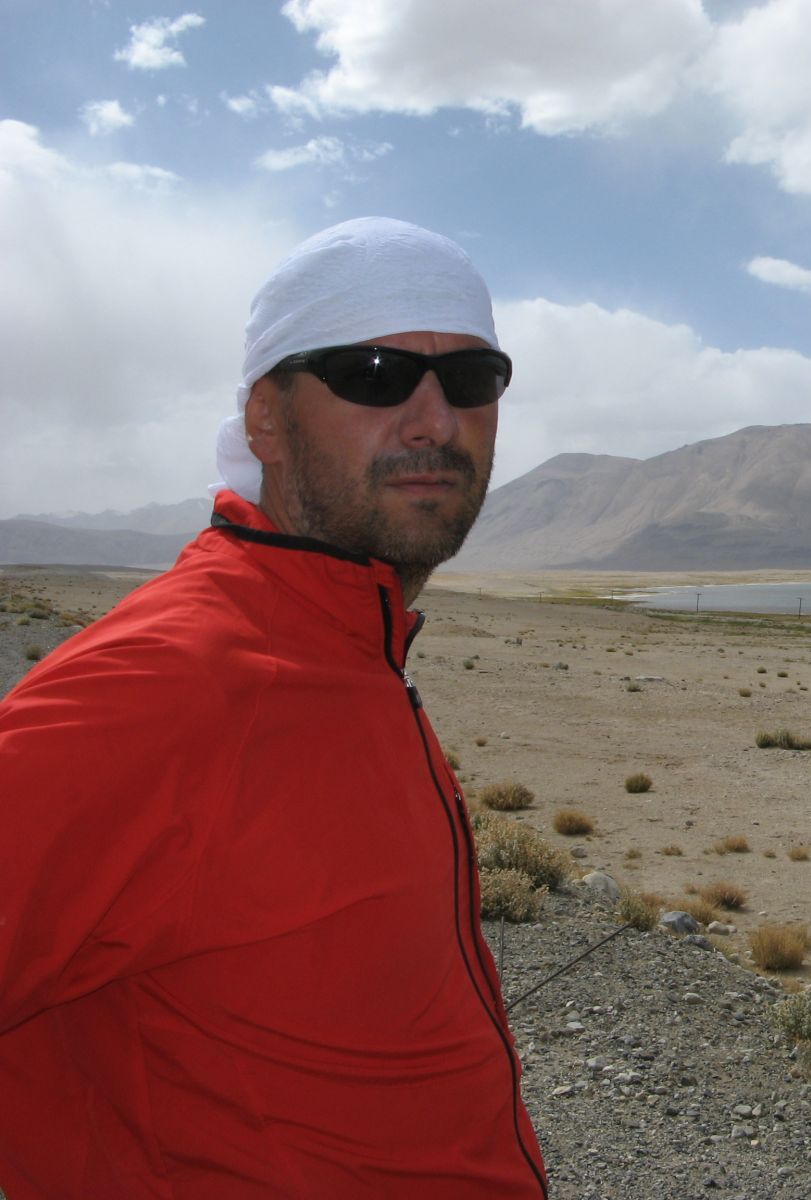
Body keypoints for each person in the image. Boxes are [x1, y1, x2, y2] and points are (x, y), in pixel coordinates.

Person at [0, 218, 547, 1198]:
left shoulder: (350, 644)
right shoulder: (167, 683)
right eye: (375, 374)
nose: (434, 420)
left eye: (471, 379)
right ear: (265, 419)